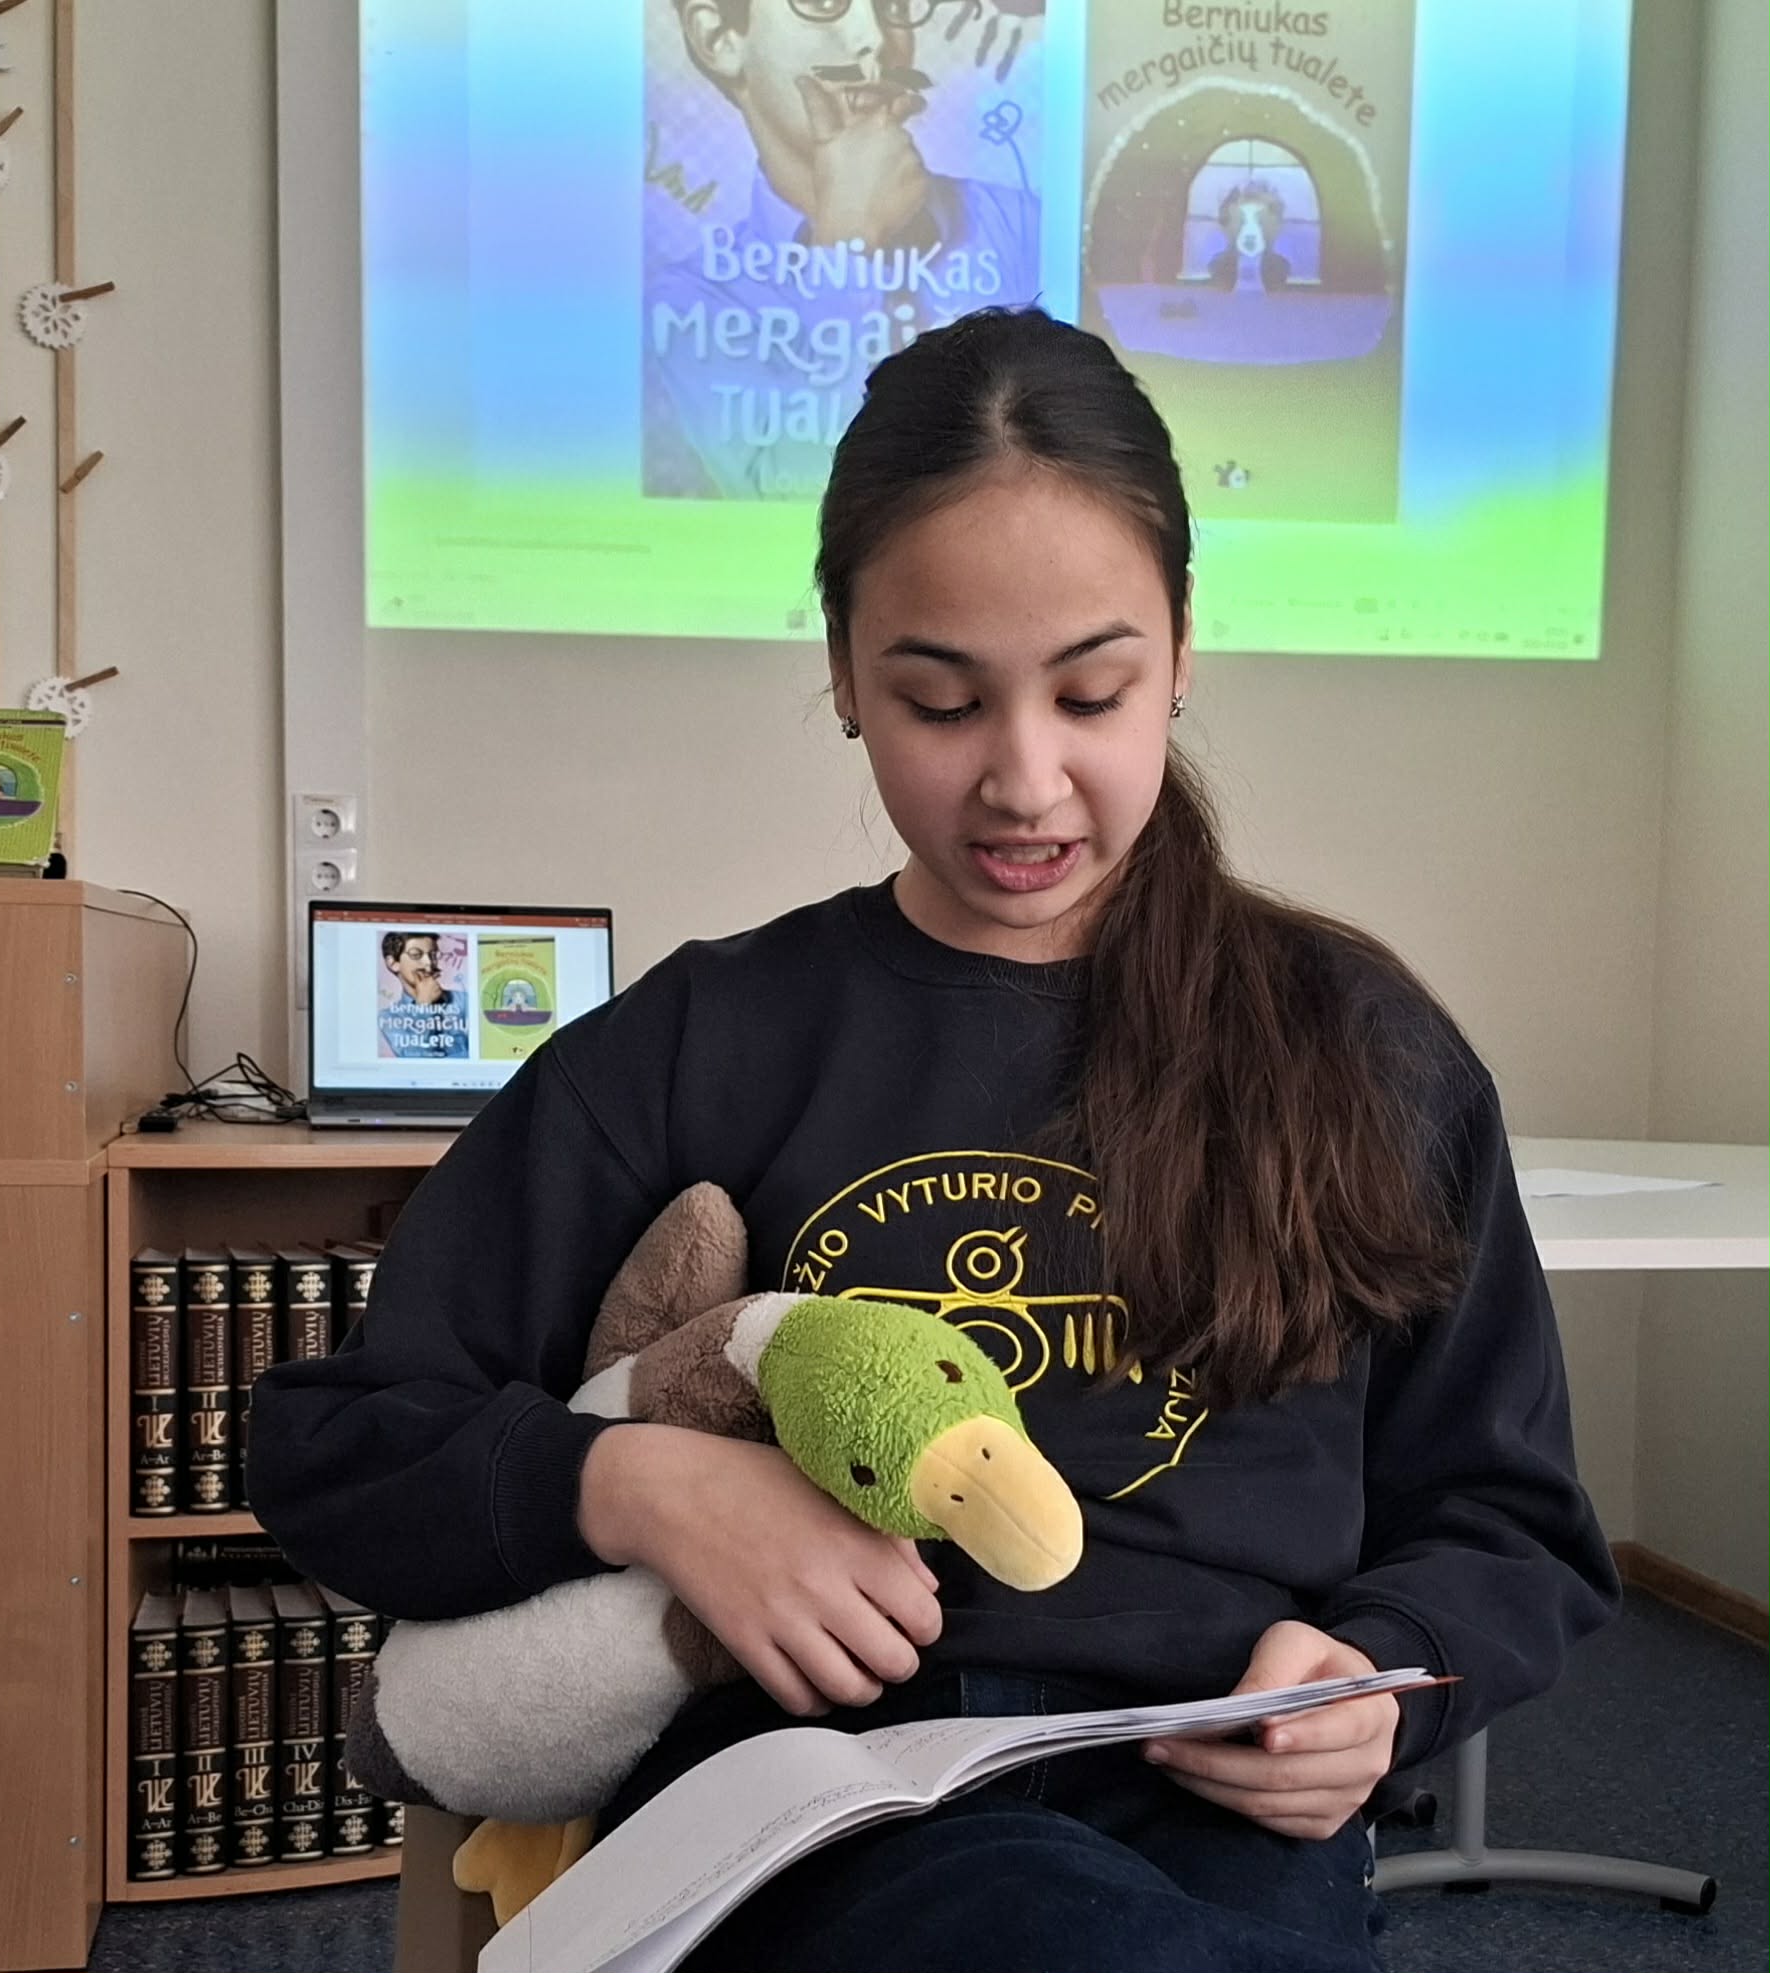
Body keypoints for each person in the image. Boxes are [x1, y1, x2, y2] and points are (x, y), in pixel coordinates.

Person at [252, 307, 1618, 1971]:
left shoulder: (1359, 1044)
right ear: (843, 673)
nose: (1024, 780)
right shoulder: (703, 1040)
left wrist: (1379, 1675)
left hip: (1204, 1807)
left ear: (1181, 651)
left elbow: (1504, 1511)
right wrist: (642, 1483)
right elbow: (339, 1447)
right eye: (941, 701)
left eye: (1092, 692)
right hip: (794, 1800)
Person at [645, 0, 1041, 498]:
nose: (875, 39)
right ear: (718, 39)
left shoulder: (1024, 224)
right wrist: (849, 241)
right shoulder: (691, 301)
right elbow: (794, 497)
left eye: (893, 5)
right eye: (825, 4)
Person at [376, 931, 470, 1061]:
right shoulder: (389, 1018)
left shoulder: (464, 1000)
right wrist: (424, 1005)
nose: (429, 963)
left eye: (433, 955)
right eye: (416, 955)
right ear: (393, 963)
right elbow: (416, 1059)